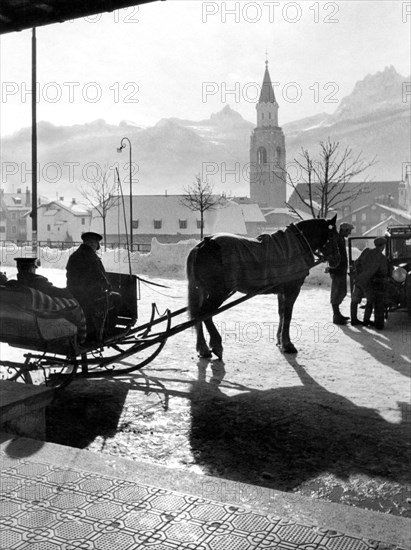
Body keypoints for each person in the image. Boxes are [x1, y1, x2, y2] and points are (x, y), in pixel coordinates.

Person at [66, 232, 120, 340]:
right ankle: (107, 330)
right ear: (92, 243)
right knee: (117, 297)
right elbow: (100, 277)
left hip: (73, 293)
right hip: (90, 297)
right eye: (96, 244)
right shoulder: (92, 257)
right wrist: (108, 287)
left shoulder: (74, 255)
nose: (96, 247)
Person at [350, 237, 389, 329]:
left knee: (355, 299)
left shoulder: (366, 251)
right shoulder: (382, 258)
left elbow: (356, 262)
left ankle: (354, 320)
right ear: (383, 246)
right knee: (370, 300)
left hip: (358, 279)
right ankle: (366, 321)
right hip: (367, 282)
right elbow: (384, 272)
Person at [328, 222, 354, 325]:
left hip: (340, 270)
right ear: (344, 230)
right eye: (349, 231)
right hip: (337, 270)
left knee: (342, 292)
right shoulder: (337, 240)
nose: (350, 233)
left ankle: (337, 314)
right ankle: (336, 315)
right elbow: (333, 255)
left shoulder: (341, 239)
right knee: (337, 292)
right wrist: (332, 269)